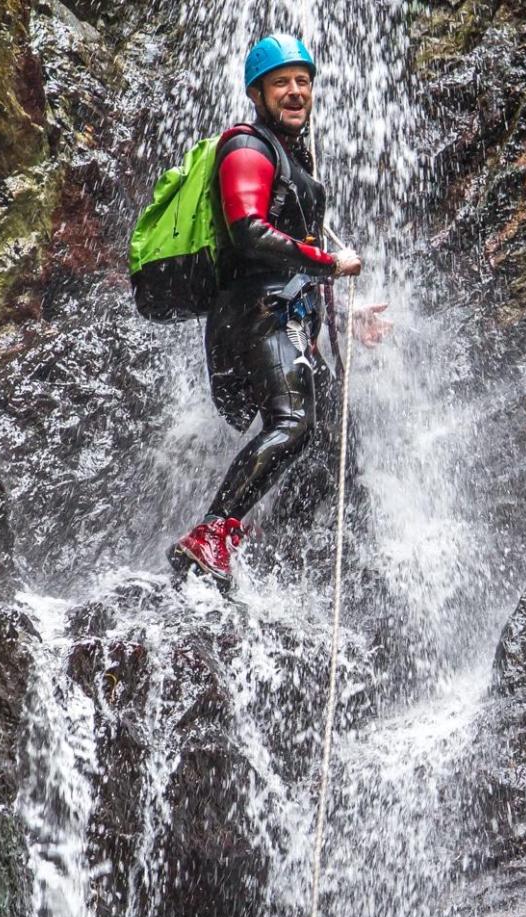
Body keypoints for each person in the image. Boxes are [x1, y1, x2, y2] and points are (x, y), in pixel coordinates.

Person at [170, 33, 391, 583]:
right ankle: (212, 533)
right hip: (254, 319)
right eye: (281, 83)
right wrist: (329, 263)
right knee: (292, 423)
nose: (295, 92)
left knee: (335, 439)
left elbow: (289, 270)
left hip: (283, 316)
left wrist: (343, 316)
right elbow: (248, 233)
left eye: (302, 82)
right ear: (257, 92)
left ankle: (270, 541)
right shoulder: (247, 148)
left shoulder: (292, 161)